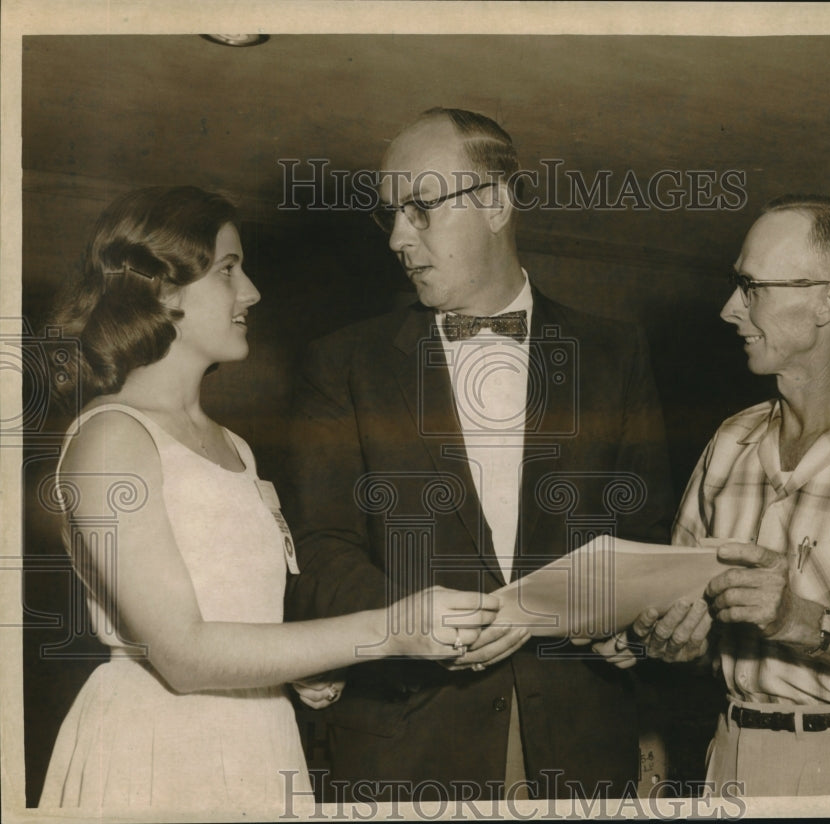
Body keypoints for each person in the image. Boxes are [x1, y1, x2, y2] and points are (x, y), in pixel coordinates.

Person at [38, 186, 498, 812]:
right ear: (161, 289)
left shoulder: (235, 446)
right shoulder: (112, 437)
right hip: (160, 746)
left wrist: (301, 663)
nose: (251, 292)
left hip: (258, 736)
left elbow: (241, 625)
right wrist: (392, 629)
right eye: (229, 270)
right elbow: (183, 655)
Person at [283, 108, 674, 802]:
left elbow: (643, 539)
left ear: (495, 203)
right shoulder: (342, 363)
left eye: (422, 208)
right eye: (390, 216)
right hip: (404, 748)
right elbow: (319, 551)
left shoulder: (617, 353)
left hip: (582, 750)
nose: (399, 239)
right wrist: (420, 626)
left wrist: (626, 625)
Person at [609, 195, 830, 796]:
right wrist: (666, 636)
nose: (729, 310)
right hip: (725, 758)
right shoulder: (731, 441)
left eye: (752, 288)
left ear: (826, 301)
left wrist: (802, 620)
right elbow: (690, 642)